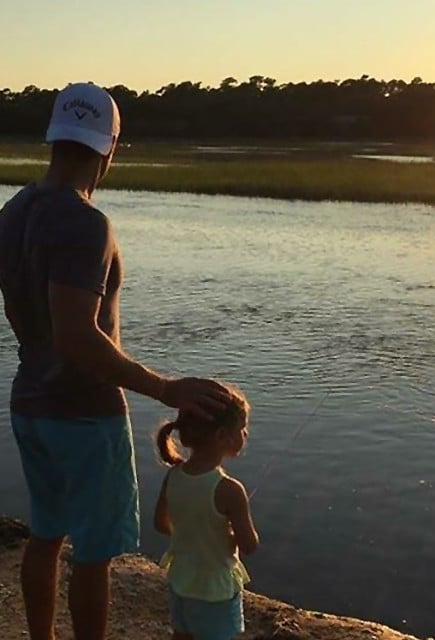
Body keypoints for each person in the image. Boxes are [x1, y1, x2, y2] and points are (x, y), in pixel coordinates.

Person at [0, 82, 233, 640]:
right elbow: (76, 335)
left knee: (46, 533)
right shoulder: (87, 223)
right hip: (84, 415)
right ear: (110, 149)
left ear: (54, 138)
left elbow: (28, 312)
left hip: (29, 404)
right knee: (95, 553)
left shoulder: (12, 212)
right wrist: (163, 388)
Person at [154, 382, 259, 640]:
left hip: (181, 581)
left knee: (182, 634)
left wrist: (190, 537)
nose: (245, 435)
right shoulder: (230, 490)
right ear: (222, 436)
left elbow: (160, 523)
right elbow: (249, 545)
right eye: (241, 429)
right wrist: (231, 536)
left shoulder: (174, 476)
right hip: (215, 591)